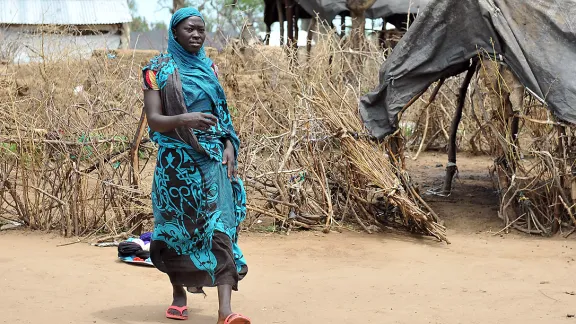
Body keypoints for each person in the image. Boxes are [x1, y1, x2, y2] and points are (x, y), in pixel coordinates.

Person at [141, 7, 251, 324]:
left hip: (212, 163)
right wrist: (184, 119)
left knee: (220, 229)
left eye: (201, 30)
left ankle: (225, 310)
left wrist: (229, 145)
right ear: (175, 32)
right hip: (176, 167)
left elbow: (224, 120)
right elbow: (155, 120)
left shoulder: (210, 69)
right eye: (190, 29)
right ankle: (178, 294)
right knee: (178, 231)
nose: (197, 35)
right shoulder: (156, 69)